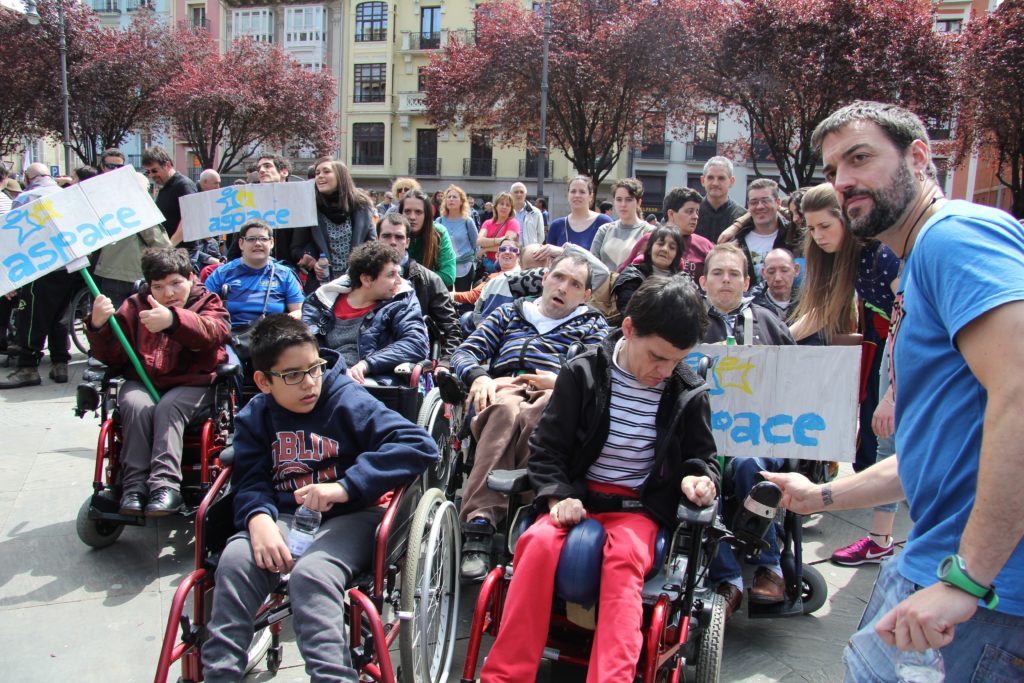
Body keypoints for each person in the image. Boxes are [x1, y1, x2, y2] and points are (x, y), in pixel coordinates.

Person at [763, 100, 1024, 681]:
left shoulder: (954, 237)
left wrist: (968, 578)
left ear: (920, 157)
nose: (843, 181)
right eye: (832, 170)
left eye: (860, 159)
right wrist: (819, 498)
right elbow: (941, 451)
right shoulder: (919, 256)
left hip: (980, 594)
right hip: (943, 568)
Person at [479, 275, 719, 682]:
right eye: (657, 357)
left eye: (676, 360)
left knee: (624, 562)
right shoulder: (583, 371)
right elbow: (548, 447)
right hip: (577, 495)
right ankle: (505, 676)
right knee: (534, 545)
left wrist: (697, 479)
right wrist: (558, 497)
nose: (664, 370)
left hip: (638, 508)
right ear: (628, 329)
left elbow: (702, 458)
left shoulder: (687, 392)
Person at [200, 314, 437, 682]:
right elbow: (249, 479)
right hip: (282, 514)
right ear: (263, 381)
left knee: (311, 576)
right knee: (234, 560)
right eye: (293, 375)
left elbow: (418, 444)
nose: (309, 383)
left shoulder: (346, 399)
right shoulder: (256, 416)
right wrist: (257, 518)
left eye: (314, 369)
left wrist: (344, 486)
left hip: (352, 514)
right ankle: (219, 675)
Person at [451, 252, 609, 580]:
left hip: (557, 385)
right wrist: (479, 376)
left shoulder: (592, 323)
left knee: (542, 412)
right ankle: (480, 522)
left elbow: (600, 372)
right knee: (505, 410)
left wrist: (566, 380)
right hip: (505, 381)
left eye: (575, 284)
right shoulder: (511, 312)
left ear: (586, 295)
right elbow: (465, 351)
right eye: (559, 277)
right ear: (545, 277)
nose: (563, 287)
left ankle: (524, 502)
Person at [85, 247, 230, 516]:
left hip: (193, 383)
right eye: (158, 287)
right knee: (136, 405)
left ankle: (165, 487)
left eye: (176, 283)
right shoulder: (134, 305)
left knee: (167, 408)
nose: (169, 293)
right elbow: (114, 356)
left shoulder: (207, 301)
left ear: (190, 278)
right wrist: (98, 326)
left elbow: (214, 333)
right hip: (142, 381)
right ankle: (134, 487)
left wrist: (174, 321)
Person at [699, 243, 794, 618]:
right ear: (703, 280)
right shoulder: (687, 321)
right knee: (700, 474)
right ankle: (729, 577)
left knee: (749, 466)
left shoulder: (769, 322)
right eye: (718, 273)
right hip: (704, 434)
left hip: (759, 435)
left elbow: (795, 383)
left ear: (747, 281)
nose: (726, 280)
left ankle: (769, 564)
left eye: (733, 274)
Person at [302, 241, 427, 386]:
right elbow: (304, 346)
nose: (399, 281)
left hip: (375, 378)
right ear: (367, 279)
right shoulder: (321, 302)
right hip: (325, 376)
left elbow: (415, 343)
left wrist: (367, 364)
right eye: (392, 275)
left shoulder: (402, 300)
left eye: (398, 273)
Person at [0, 163, 74, 389]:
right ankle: (60, 364)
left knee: (31, 318)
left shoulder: (26, 198)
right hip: (68, 265)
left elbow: (13, 237)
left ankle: (28, 367)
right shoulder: (67, 196)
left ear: (28, 178)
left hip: (38, 266)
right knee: (61, 316)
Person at [377, 213, 462, 367]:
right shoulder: (362, 277)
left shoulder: (429, 280)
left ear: (407, 242)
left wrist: (444, 364)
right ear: (377, 239)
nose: (393, 242)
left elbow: (452, 330)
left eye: (399, 237)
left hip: (414, 361)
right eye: (386, 236)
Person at [204, 219, 305, 329]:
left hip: (272, 337)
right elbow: (203, 307)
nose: (257, 243)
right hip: (231, 339)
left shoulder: (285, 275)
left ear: (271, 243)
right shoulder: (222, 273)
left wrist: (278, 326)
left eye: (263, 239)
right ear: (241, 243)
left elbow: (298, 310)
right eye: (251, 239)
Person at [93, 171, 173, 310]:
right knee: (135, 320)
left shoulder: (108, 208)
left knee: (113, 318)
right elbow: (161, 243)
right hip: (134, 274)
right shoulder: (141, 209)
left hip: (107, 271)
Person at [617, 186, 713, 282]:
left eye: (697, 211)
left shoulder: (705, 245)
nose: (695, 217)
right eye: (689, 211)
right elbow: (623, 275)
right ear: (671, 214)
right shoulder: (649, 240)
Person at [307, 159, 375, 284]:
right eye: (317, 173)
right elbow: (298, 246)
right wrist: (312, 260)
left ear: (341, 176)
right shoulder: (310, 207)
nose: (320, 176)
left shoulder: (361, 206)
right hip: (322, 283)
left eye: (326, 171)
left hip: (356, 281)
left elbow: (372, 244)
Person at [729, 179, 801, 285]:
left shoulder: (794, 236)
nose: (760, 206)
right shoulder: (736, 241)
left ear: (778, 203)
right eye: (754, 202)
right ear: (748, 206)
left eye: (765, 201)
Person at [612, 225, 685, 313]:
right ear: (650, 248)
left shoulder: (684, 281)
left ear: (677, 255)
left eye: (672, 247)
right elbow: (628, 311)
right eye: (660, 244)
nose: (665, 249)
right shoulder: (633, 276)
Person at [590, 178, 652, 271]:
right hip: (604, 284)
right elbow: (591, 264)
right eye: (619, 199)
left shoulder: (649, 232)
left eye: (629, 199)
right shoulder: (604, 230)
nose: (623, 204)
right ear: (614, 201)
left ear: (639, 202)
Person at [401, 189, 457, 289]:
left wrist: (410, 278)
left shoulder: (439, 232)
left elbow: (448, 276)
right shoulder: (392, 233)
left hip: (429, 297)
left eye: (418, 212)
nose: (412, 217)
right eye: (407, 211)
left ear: (426, 214)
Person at [142, 145, 197, 246]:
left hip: (182, 251)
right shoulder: (165, 188)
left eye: (154, 170)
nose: (151, 175)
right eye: (148, 172)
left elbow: (190, 218)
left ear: (167, 165)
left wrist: (170, 245)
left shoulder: (183, 185)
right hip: (171, 251)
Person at [545, 175, 612, 252]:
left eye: (582, 192)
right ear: (568, 195)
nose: (577, 195)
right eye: (573, 191)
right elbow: (549, 259)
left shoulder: (604, 222)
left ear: (591, 196)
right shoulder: (557, 226)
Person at [454, 236, 521, 308]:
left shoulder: (527, 276)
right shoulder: (494, 276)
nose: (507, 252)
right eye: (503, 249)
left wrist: (448, 295)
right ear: (497, 255)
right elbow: (474, 296)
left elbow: (473, 297)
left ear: (519, 256)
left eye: (512, 249)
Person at [437, 184, 480, 291]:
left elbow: (476, 244)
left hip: (465, 266)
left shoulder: (467, 221)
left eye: (454, 197)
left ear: (461, 201)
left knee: (462, 301)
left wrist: (473, 261)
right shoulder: (439, 221)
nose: (451, 199)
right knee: (445, 300)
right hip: (445, 267)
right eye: (449, 197)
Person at [695, 156, 745, 243]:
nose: (715, 183)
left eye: (721, 178)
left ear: (731, 181)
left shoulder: (742, 216)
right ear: (703, 180)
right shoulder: (691, 212)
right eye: (710, 178)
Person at [750, 248, 802, 323]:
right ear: (763, 273)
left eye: (784, 270)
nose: (778, 278)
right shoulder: (751, 305)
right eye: (771, 272)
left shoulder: (806, 304)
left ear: (796, 270)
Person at [477, 191, 521, 273]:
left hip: (504, 267)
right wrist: (500, 240)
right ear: (496, 206)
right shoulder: (487, 223)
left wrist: (485, 249)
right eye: (501, 204)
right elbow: (479, 241)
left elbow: (507, 247)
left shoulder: (513, 223)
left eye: (507, 205)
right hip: (486, 267)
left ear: (511, 209)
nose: (504, 207)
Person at [510, 181, 545, 247]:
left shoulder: (536, 213)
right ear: (511, 194)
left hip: (529, 253)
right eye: (516, 192)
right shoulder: (506, 212)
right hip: (510, 252)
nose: (519, 194)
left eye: (521, 192)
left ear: (525, 194)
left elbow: (541, 236)